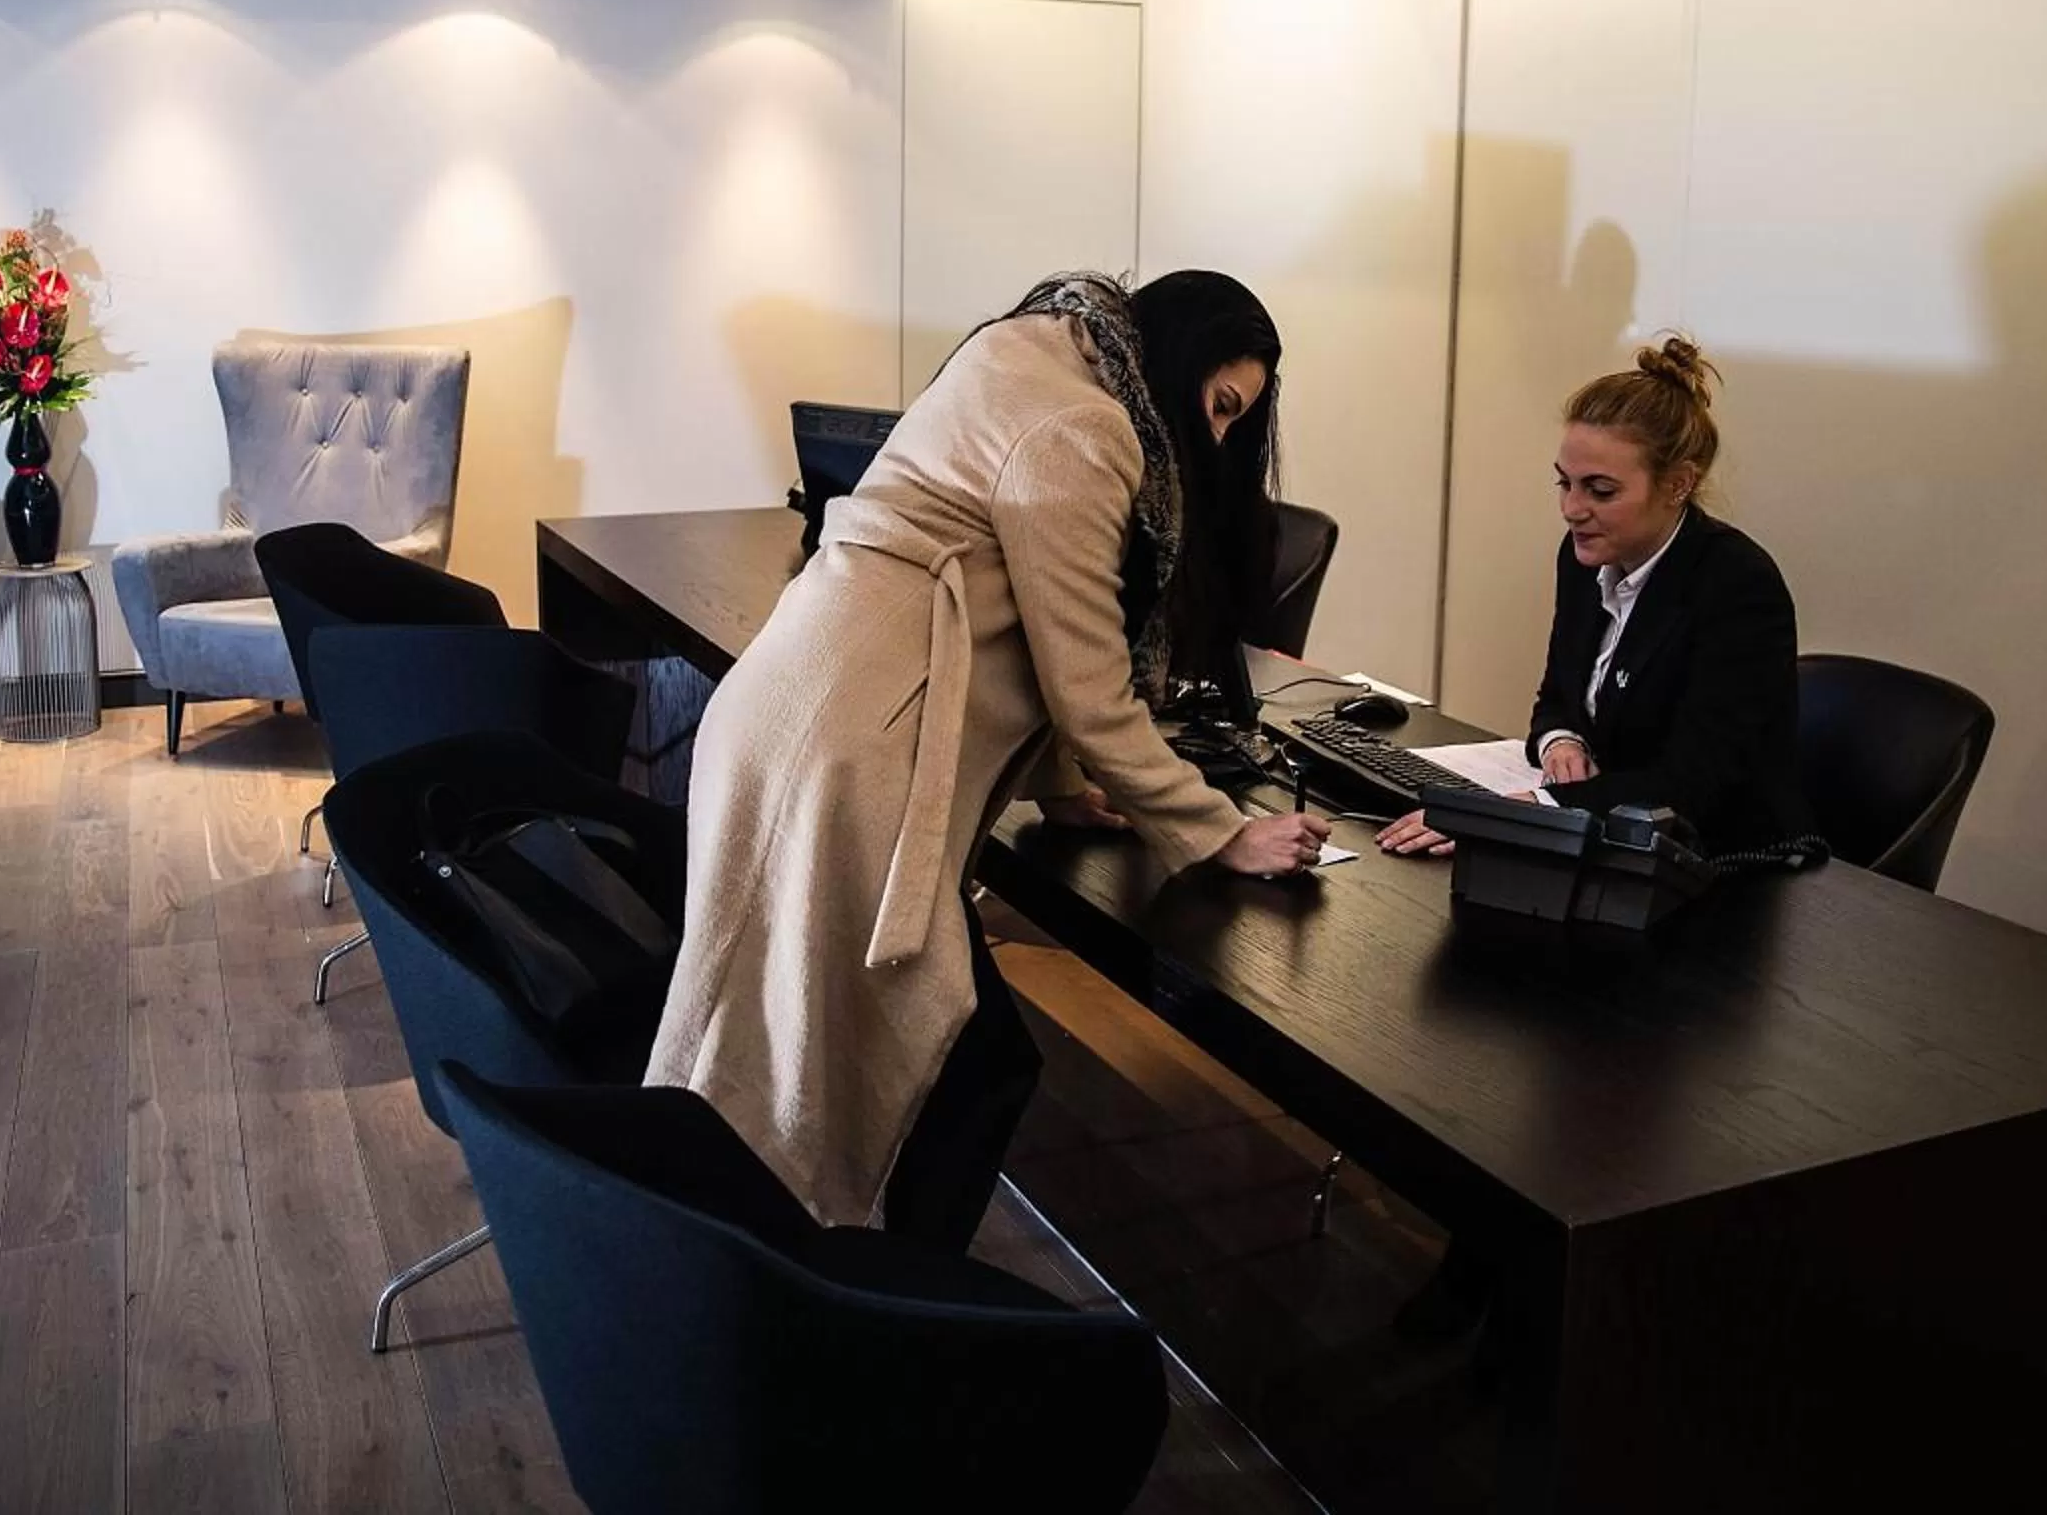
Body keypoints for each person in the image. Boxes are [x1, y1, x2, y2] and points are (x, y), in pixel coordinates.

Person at [648, 270, 1332, 1244]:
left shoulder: (1025, 348)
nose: (1219, 440)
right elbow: (1089, 690)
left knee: (763, 1035)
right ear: (1180, 362)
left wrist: (1059, 794)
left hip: (797, 712)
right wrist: (1221, 832)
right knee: (872, 1058)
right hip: (857, 749)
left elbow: (1019, 618)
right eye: (1221, 408)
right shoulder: (1088, 433)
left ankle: (737, 1267)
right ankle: (854, 1295)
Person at [1379, 335, 1810, 861]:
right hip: (1612, 851)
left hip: (1719, 870)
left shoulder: (1737, 585)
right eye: (1564, 484)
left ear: (1677, 485)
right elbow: (1557, 697)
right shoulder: (1586, 557)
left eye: (1600, 491)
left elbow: (1695, 784)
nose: (1572, 509)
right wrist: (1562, 740)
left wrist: (1536, 805)